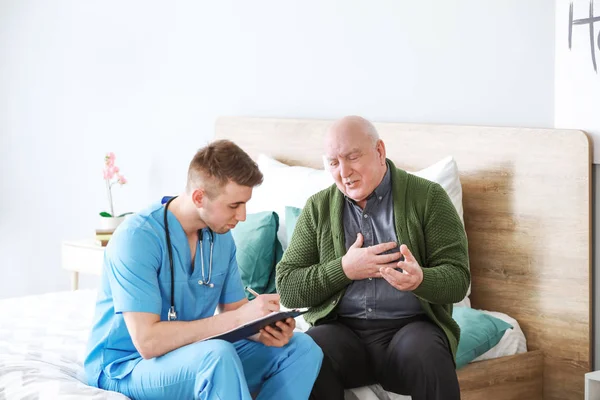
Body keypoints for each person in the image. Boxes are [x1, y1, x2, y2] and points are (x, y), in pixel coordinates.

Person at [85, 139, 323, 400]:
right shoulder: (136, 238)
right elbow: (148, 342)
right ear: (199, 197)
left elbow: (236, 314)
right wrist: (240, 318)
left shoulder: (221, 237)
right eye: (234, 205)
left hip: (195, 353)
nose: (243, 216)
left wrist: (265, 329)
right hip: (126, 366)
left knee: (302, 347)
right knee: (217, 356)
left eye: (245, 204)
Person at [276, 116, 470, 400]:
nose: (344, 172)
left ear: (380, 151)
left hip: (410, 330)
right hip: (343, 334)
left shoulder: (428, 197)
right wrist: (343, 269)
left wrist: (421, 280)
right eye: (333, 163)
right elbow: (288, 287)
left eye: (352, 157)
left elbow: (458, 280)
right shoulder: (318, 208)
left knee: (427, 352)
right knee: (308, 351)